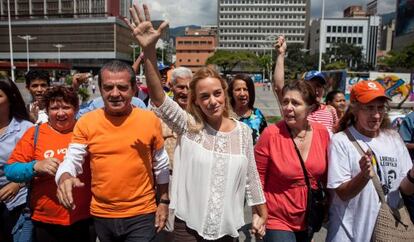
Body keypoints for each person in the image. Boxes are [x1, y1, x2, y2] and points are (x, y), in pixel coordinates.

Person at [125, 4, 267, 241]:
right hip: (188, 227)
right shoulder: (188, 125)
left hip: (226, 229)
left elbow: (251, 177)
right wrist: (148, 51)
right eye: (204, 96)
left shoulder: (243, 131)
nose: (212, 101)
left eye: (216, 93)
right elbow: (158, 96)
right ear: (196, 101)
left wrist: (260, 213)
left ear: (224, 93)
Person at [55, 60, 170, 242]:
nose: (115, 94)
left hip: (142, 213)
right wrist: (64, 177)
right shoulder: (87, 122)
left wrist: (163, 202)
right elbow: (72, 158)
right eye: (108, 87)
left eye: (122, 87)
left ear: (134, 89)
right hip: (102, 215)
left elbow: (161, 164)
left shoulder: (149, 120)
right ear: (100, 89)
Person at [326, 80, 414, 242]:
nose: (376, 115)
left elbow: (406, 189)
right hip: (349, 235)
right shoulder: (341, 141)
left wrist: (413, 174)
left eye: (380, 108)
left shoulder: (393, 138)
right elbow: (342, 193)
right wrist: (364, 176)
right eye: (369, 108)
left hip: (388, 233)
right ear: (354, 109)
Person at [5, 85, 92, 242]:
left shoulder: (87, 131)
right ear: (46, 110)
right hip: (46, 220)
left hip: (85, 218)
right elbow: (10, 170)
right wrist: (35, 166)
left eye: (66, 107)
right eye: (54, 108)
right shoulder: (35, 133)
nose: (60, 113)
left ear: (77, 108)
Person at [255, 80, 330, 242]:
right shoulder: (270, 134)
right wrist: (258, 213)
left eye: (295, 103)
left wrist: (327, 204)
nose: (288, 107)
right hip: (276, 218)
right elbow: (256, 179)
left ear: (310, 108)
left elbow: (326, 176)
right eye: (285, 102)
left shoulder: (322, 133)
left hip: (308, 217)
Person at [273, 36, 337, 132]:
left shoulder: (330, 111)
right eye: (311, 85)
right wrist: (281, 54)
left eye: (319, 86)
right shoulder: (294, 108)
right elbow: (279, 87)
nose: (316, 89)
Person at [0, 77, 33, 242]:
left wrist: (17, 183)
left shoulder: (26, 130)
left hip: (18, 204)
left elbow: (39, 166)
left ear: (10, 100)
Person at [228, 74, 267, 144]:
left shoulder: (258, 115)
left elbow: (265, 141)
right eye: (238, 89)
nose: (242, 93)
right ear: (231, 93)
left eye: (246, 89)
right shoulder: (225, 115)